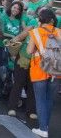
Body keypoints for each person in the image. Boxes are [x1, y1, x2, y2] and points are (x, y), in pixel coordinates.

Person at [26, 9, 60, 138]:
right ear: (52, 20)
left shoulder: (35, 32)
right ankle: (45, 126)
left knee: (40, 100)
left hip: (39, 69)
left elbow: (29, 51)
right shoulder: (59, 32)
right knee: (49, 100)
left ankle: (43, 129)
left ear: (40, 20)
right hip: (56, 70)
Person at [2, 0, 36, 119]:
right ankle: (12, 107)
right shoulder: (33, 22)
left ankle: (31, 110)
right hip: (22, 57)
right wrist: (11, 44)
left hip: (36, 61)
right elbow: (21, 35)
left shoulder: (51, 31)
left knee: (32, 85)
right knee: (18, 83)